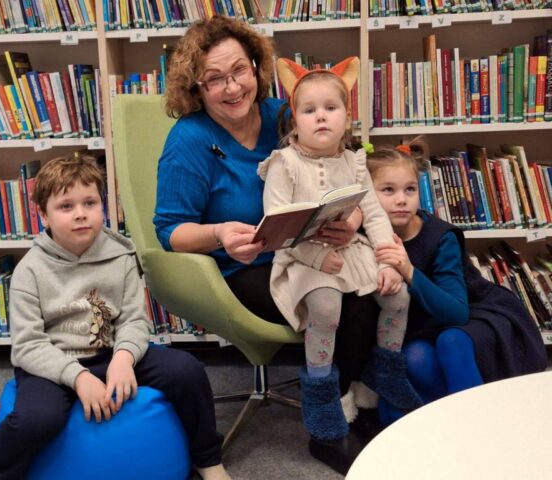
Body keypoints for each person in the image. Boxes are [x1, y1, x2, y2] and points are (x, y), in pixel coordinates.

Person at [153, 15, 380, 472]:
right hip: (241, 266)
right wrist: (219, 233)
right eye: (214, 79)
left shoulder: (285, 114)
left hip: (310, 249)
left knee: (370, 292)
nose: (233, 87)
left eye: (240, 70)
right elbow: (170, 230)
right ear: (197, 88)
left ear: (257, 66)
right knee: (339, 305)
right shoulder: (189, 140)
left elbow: (344, 167)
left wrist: (352, 218)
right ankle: (326, 429)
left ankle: (353, 406)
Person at [0, 155, 229, 480]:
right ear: (43, 215)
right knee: (36, 419)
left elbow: (133, 321)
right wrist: (78, 377)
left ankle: (208, 460)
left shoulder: (121, 255)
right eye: (66, 206)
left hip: (109, 352)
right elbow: (28, 345)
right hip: (52, 364)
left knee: (187, 371)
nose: (81, 213)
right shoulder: (29, 270)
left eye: (90, 203)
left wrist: (124, 359)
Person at [257, 56, 422, 458]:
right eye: (309, 110)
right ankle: (320, 393)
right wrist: (316, 260)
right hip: (303, 258)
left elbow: (375, 215)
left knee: (398, 296)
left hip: (350, 251)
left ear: (347, 117)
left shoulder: (354, 161)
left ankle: (384, 369)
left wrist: (388, 261)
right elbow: (277, 229)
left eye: (330, 108)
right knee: (326, 306)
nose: (321, 117)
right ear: (294, 120)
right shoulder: (283, 164)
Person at [367, 137, 548, 424]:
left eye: (410, 189)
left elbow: (456, 312)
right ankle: (459, 421)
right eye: (388, 190)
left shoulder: (441, 236)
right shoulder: (366, 236)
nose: (401, 199)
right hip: (421, 325)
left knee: (451, 341)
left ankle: (475, 427)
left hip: (473, 312)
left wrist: (408, 270)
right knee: (414, 356)